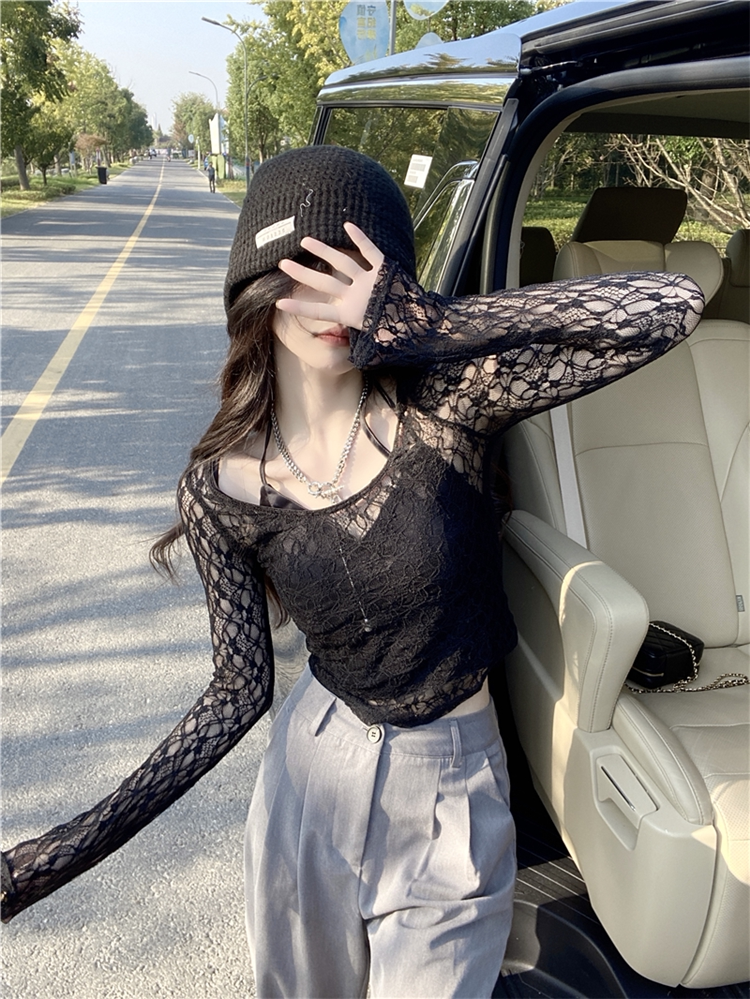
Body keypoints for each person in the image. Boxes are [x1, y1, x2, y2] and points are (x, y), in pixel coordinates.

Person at [1, 146, 704, 997]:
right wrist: (58, 851)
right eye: (312, 269)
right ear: (260, 286)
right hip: (311, 776)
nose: (336, 303)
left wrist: (431, 321)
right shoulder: (219, 487)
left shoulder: (449, 403)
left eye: (360, 274)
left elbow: (671, 304)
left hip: (450, 785)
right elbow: (236, 694)